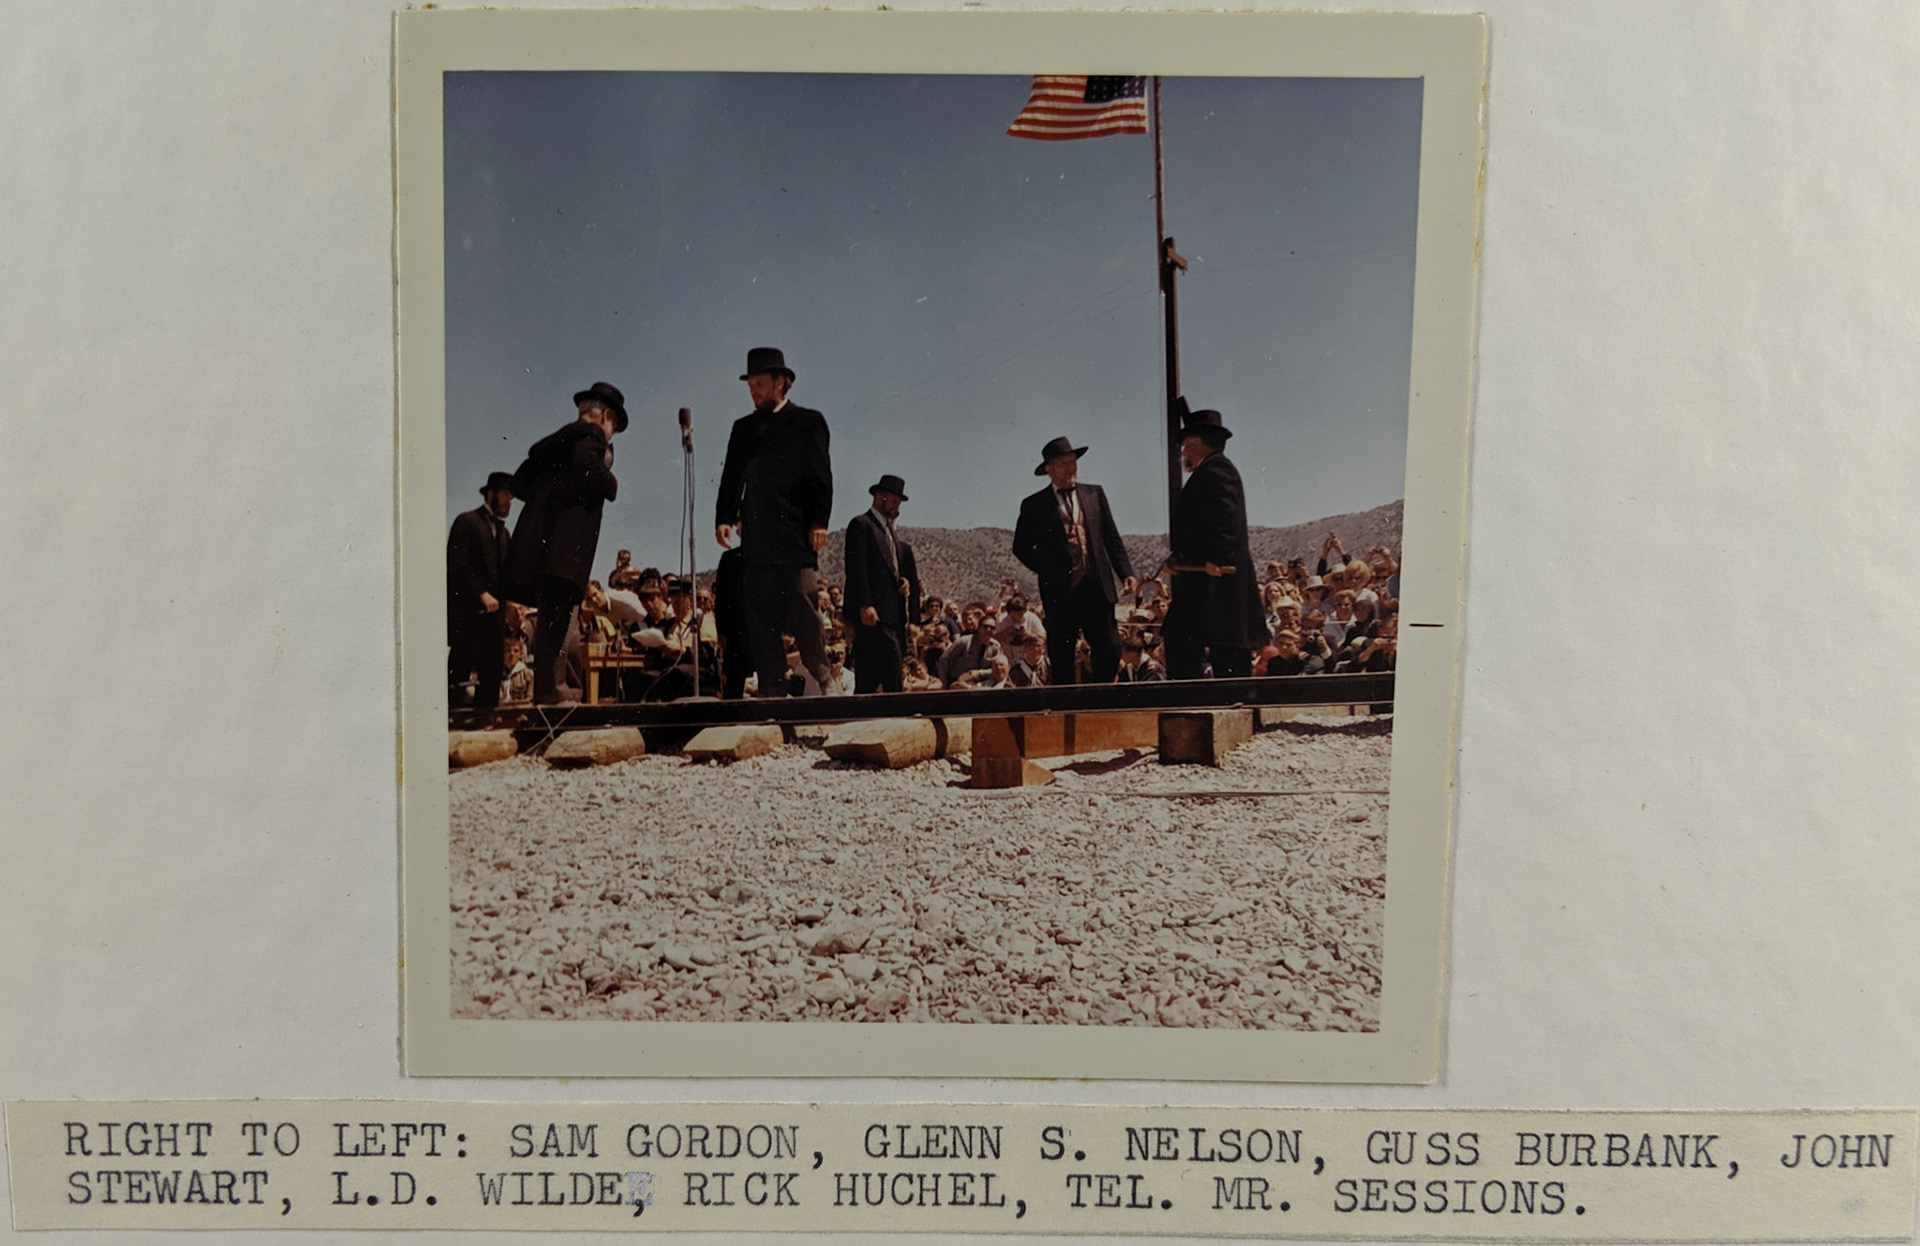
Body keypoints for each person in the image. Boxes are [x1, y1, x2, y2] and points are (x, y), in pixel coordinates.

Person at [714, 348, 833, 698]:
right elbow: (731, 478)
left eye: (760, 384)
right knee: (759, 612)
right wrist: (724, 517)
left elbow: (820, 476)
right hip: (757, 535)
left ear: (781, 383)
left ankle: (824, 675)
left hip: (796, 535)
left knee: (803, 604)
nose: (754, 391)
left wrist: (819, 520)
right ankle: (771, 688)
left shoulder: (808, 421)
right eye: (750, 385)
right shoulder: (743, 429)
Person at [501, 382, 625, 704]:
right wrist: (611, 483)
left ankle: (555, 693)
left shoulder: (556, 444)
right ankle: (554, 697)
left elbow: (521, 483)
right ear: (606, 416)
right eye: (614, 427)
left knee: (553, 626)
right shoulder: (592, 435)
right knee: (556, 628)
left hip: (541, 551)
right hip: (565, 553)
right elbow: (589, 468)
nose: (611, 437)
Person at [1012, 436, 1136, 684]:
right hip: (1061, 591)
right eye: (1064, 463)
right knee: (1061, 652)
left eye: (1073, 461)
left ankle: (1101, 696)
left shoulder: (1094, 494)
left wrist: (1126, 573)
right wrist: (1048, 569)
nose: (1072, 468)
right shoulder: (1034, 504)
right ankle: (1066, 706)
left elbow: (1111, 537)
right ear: (1049, 469)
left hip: (1097, 586)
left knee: (1110, 645)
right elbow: (1021, 547)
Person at [1159, 408, 1264, 680]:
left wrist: (1188, 560)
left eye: (1185, 446)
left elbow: (1225, 528)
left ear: (1195, 443)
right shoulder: (1212, 471)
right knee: (1203, 642)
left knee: (1223, 649)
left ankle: (1213, 706)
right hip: (1205, 578)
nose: (1182, 453)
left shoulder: (1217, 471)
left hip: (1216, 580)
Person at [841, 473, 921, 694]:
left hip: (892, 616)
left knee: (877, 673)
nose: (897, 507)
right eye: (893, 501)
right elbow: (857, 568)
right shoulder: (862, 525)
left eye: (899, 503)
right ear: (879, 497)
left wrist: (901, 582)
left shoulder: (891, 535)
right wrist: (865, 603)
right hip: (872, 616)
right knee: (885, 671)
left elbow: (891, 570)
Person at [446, 470, 515, 709]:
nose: (510, 501)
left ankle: (486, 724)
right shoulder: (467, 522)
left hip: (494, 620)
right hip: (467, 615)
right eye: (506, 494)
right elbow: (457, 565)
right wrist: (481, 593)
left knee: (491, 673)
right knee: (459, 674)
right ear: (491, 494)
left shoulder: (505, 533)